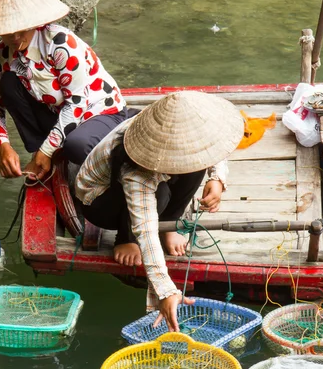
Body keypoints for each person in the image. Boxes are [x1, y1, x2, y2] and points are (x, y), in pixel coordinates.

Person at [75, 91, 244, 331]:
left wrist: (217, 179)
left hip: (142, 188)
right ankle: (124, 238)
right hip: (100, 201)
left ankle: (170, 222)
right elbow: (145, 228)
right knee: (160, 194)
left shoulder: (186, 130)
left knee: (195, 165)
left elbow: (210, 144)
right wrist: (165, 290)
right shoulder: (137, 170)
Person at [0, 0, 130, 180]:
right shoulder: (2, 56)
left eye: (21, 30)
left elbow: (76, 104)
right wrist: (2, 146)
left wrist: (47, 150)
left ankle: (51, 153)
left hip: (98, 111)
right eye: (7, 33)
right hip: (57, 112)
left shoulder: (61, 44)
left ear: (33, 23)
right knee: (9, 82)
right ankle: (43, 154)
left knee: (76, 147)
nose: (15, 38)